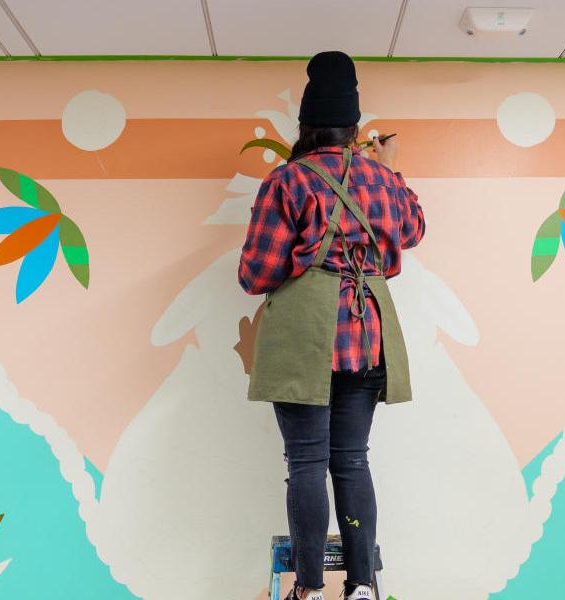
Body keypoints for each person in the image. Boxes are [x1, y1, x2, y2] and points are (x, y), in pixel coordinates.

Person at [238, 50, 425, 600]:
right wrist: (390, 168)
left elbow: (255, 274)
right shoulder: (382, 179)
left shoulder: (287, 181)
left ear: (306, 123)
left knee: (306, 464)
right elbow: (413, 230)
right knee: (352, 461)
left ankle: (310, 590)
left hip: (306, 338)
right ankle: (362, 587)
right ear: (354, 126)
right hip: (368, 336)